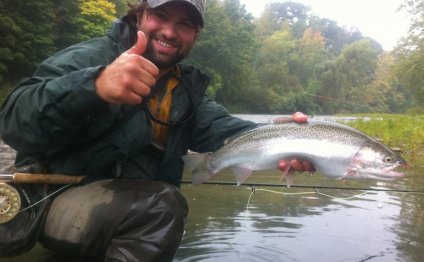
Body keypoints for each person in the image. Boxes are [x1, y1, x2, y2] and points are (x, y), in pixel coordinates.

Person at [0, 0, 314, 261]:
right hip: (45, 203)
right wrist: (93, 86)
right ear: (139, 15)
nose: (169, 32)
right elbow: (13, 122)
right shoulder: (90, 57)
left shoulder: (186, 91)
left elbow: (227, 129)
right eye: (160, 16)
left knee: (159, 209)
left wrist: (282, 137)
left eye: (184, 24)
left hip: (125, 214)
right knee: (162, 208)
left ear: (195, 35)